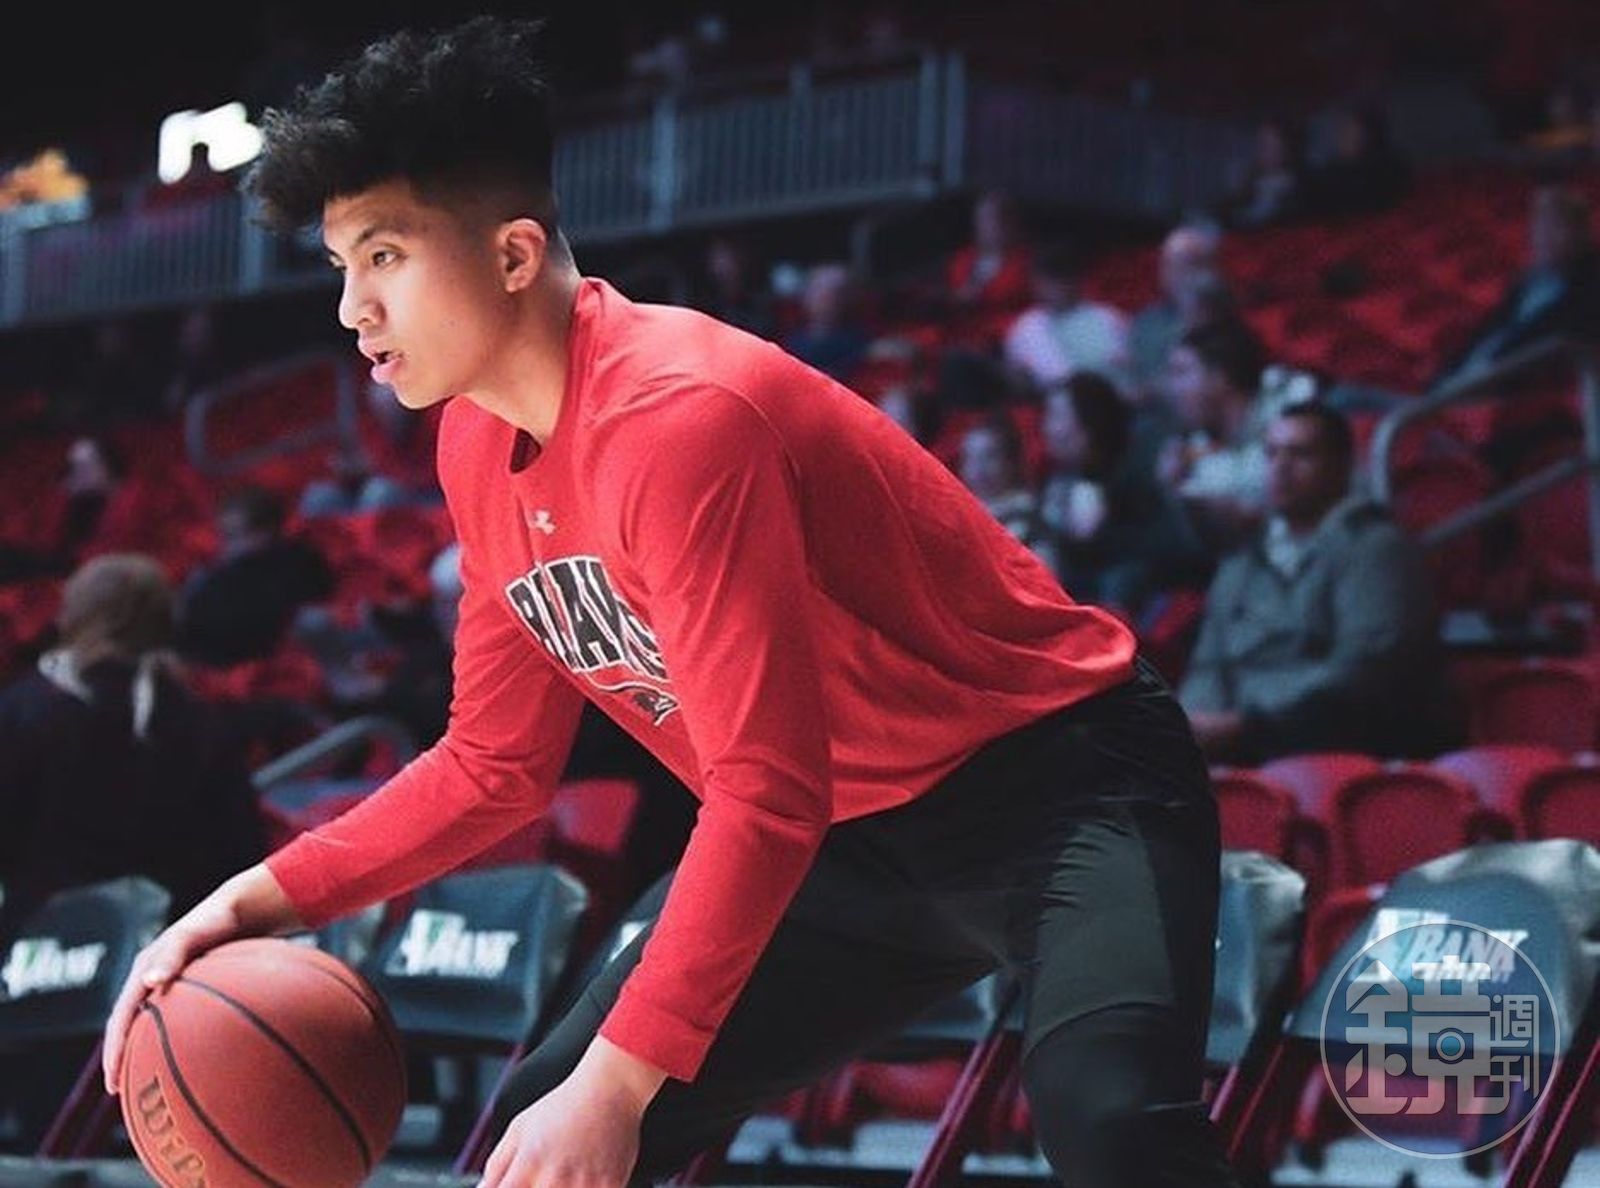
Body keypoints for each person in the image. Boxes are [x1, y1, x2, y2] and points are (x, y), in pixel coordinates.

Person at [101, 19, 1239, 1188]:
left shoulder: (682, 419)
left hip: (1057, 787)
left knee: (1110, 1123)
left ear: (512, 254)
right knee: (541, 1139)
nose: (353, 308)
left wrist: (617, 1085)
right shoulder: (473, 442)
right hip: (846, 845)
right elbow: (493, 766)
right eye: (343, 265)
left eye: (383, 255)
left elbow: (766, 787)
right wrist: (251, 903)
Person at [1180, 402, 1455, 762]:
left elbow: (1365, 670)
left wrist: (1249, 724)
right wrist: (1194, 726)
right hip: (1243, 747)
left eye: (1301, 454)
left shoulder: (1377, 549)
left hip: (1340, 750)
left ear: (1341, 466)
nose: (1281, 467)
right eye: (1272, 453)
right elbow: (1208, 666)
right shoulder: (1241, 562)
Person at [177, 484, 335, 667]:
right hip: (203, 649)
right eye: (223, 536)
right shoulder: (214, 573)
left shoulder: (295, 564)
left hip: (246, 655)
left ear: (263, 533)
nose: (226, 545)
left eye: (233, 536)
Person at [1003, 240, 1131, 394]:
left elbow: (1128, 365)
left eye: (1064, 277)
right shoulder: (1025, 329)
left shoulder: (1108, 317)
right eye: (1051, 279)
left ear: (1077, 279)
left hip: (1116, 397)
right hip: (1060, 400)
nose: (1058, 287)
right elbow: (1022, 380)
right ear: (1037, 283)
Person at [1127, 222, 1225, 402]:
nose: (1173, 273)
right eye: (1168, 264)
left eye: (1187, 264)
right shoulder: (1146, 323)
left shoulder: (1224, 322)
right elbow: (1136, 381)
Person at [957, 411, 1059, 577]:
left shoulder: (1033, 514)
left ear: (1011, 461)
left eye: (990, 456)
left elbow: (1046, 575)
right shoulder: (960, 515)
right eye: (970, 458)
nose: (979, 468)